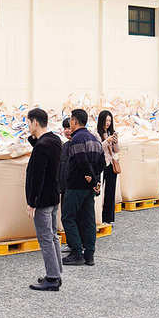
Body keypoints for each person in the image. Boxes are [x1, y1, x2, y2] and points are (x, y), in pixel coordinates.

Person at [61, 109, 105, 266]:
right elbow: (102, 161)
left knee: (67, 217)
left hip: (76, 185)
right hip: (88, 188)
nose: (70, 124)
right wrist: (93, 179)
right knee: (89, 220)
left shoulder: (77, 139)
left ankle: (77, 252)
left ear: (74, 121)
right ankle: (90, 254)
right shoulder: (94, 138)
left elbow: (81, 160)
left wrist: (90, 177)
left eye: (70, 121)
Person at [25, 108, 63, 291]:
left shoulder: (42, 146)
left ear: (35, 123)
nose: (28, 126)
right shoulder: (54, 140)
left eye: (29, 122)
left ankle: (52, 278)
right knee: (53, 235)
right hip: (54, 195)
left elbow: (37, 176)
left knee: (45, 237)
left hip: (43, 199)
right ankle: (56, 273)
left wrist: (32, 202)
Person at [96, 110, 119, 225]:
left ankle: (108, 218)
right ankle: (97, 216)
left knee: (110, 191)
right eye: (106, 121)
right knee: (98, 191)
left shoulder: (112, 132)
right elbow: (97, 147)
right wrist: (106, 141)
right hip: (101, 163)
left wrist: (115, 142)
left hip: (112, 164)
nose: (108, 123)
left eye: (110, 121)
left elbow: (117, 150)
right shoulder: (96, 133)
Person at [59, 117, 73, 254]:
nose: (67, 131)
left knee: (72, 216)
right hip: (64, 186)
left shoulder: (77, 144)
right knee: (65, 215)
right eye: (65, 128)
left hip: (73, 187)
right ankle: (71, 243)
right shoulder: (64, 146)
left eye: (69, 128)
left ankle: (77, 244)